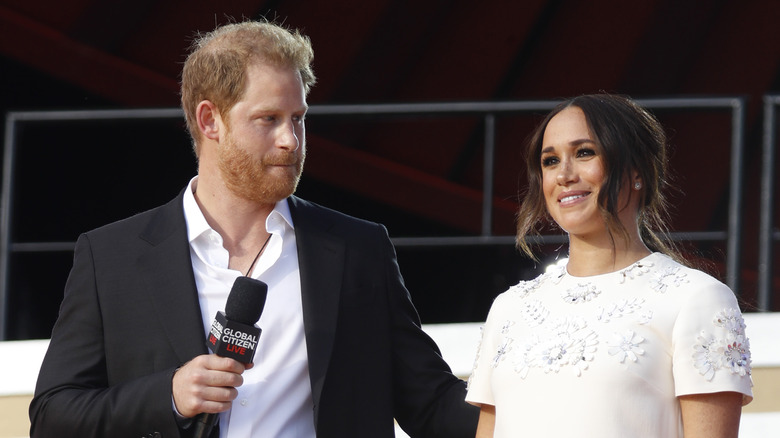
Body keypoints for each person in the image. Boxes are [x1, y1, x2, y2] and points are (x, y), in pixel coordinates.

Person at [29, 20, 478, 438]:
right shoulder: (112, 257)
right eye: (269, 119)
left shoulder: (357, 248)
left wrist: (535, 406)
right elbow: (53, 415)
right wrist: (168, 395)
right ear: (210, 121)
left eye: (298, 118)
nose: (291, 140)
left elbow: (432, 402)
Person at [466, 93, 753, 437]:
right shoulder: (509, 308)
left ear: (637, 171)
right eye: (550, 161)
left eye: (584, 153)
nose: (564, 175)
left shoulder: (696, 299)